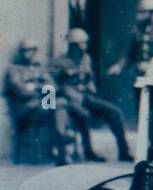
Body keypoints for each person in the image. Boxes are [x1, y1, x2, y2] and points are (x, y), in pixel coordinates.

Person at [54, 28, 131, 162]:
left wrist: (91, 87)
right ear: (71, 46)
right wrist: (54, 103)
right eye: (79, 45)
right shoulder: (59, 62)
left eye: (84, 44)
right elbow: (51, 85)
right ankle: (88, 153)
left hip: (85, 98)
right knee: (83, 115)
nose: (83, 48)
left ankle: (124, 152)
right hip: (68, 101)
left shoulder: (85, 59)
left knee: (115, 112)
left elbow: (89, 79)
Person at [5, 39, 70, 165]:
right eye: (25, 50)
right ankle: (61, 148)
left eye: (32, 50)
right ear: (20, 52)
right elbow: (21, 91)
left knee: (59, 106)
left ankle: (60, 148)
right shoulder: (14, 69)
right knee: (60, 105)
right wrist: (41, 87)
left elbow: (52, 86)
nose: (28, 53)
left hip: (42, 105)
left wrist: (34, 86)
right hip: (26, 108)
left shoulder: (39, 67)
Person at [109, 0, 153, 80]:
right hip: (139, 74)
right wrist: (119, 66)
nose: (138, 16)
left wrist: (151, 65)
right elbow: (129, 53)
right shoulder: (138, 30)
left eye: (143, 12)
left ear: (152, 13)